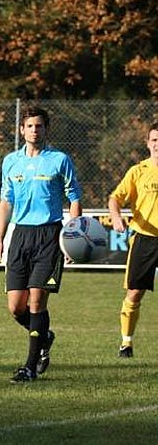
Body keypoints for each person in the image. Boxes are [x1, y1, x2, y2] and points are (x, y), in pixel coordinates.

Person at [0, 105, 82, 382]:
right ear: (22, 130)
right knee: (15, 307)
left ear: (46, 129)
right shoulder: (11, 161)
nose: (34, 130)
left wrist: (72, 237)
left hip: (49, 236)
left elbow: (74, 199)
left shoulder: (59, 160)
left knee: (36, 299)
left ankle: (29, 367)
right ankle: (44, 336)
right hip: (21, 236)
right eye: (29, 126)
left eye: (39, 126)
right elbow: (6, 201)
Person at [108, 123, 158, 358]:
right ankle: (126, 342)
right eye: (154, 140)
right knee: (135, 292)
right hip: (145, 239)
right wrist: (116, 217)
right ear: (148, 144)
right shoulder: (138, 171)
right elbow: (115, 198)